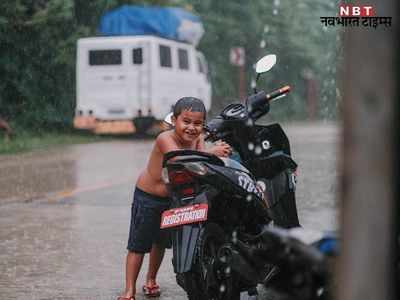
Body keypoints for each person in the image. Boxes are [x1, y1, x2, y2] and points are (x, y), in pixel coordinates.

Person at [117, 97, 231, 300]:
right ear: (174, 120)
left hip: (173, 198)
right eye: (186, 121)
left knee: (160, 242)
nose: (191, 128)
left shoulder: (198, 138)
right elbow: (182, 159)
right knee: (138, 245)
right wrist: (212, 152)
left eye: (197, 123)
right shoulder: (164, 138)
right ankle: (129, 291)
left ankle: (151, 280)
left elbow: (200, 164)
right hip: (149, 197)